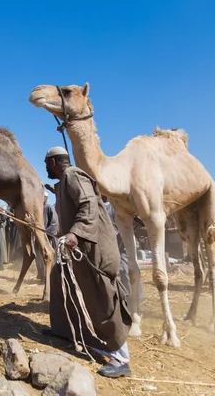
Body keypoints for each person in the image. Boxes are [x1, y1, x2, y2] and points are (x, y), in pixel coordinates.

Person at [42, 146, 132, 378]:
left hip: (93, 249)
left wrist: (75, 233)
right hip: (77, 248)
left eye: (46, 163)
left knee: (102, 296)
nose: (45, 168)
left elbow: (88, 205)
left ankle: (121, 358)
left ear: (53, 162)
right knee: (60, 280)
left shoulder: (73, 175)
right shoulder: (64, 182)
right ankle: (66, 331)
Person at [102, 195, 144, 311]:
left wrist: (120, 241)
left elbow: (134, 223)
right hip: (109, 244)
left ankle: (135, 301)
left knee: (127, 271)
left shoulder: (116, 206)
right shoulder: (101, 207)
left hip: (123, 244)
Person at [35, 191, 59, 280]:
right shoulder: (38, 208)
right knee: (39, 257)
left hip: (48, 238)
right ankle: (42, 276)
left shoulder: (49, 207)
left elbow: (54, 223)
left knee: (49, 258)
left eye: (41, 197)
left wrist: (45, 233)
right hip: (39, 237)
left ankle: (51, 277)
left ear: (45, 198)